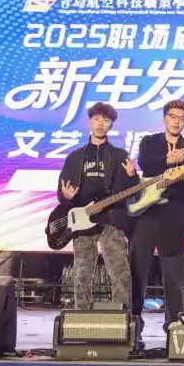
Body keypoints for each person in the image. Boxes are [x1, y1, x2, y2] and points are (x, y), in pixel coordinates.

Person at [56, 102, 140, 310]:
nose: (100, 124)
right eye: (96, 119)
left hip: (111, 221)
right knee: (81, 275)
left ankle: (122, 318)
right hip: (82, 223)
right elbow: (61, 193)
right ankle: (81, 318)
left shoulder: (119, 156)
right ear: (89, 122)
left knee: (121, 273)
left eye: (106, 120)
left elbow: (134, 192)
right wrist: (66, 197)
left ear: (111, 125)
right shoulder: (75, 157)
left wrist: (132, 176)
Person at [132, 99, 184, 340]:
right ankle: (133, 324)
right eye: (173, 116)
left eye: (181, 118)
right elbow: (145, 164)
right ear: (165, 118)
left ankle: (174, 324)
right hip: (146, 215)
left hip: (175, 216)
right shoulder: (149, 142)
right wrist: (167, 162)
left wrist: (182, 174)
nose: (177, 122)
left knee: (173, 273)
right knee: (138, 268)